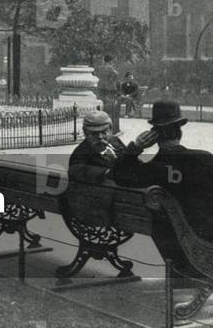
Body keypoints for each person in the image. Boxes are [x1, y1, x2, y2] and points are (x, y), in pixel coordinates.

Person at [112, 101, 213, 315]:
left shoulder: (152, 170)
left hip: (184, 244)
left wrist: (135, 148)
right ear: (180, 132)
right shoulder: (205, 159)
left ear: (155, 136)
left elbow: (119, 174)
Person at [68, 109, 125, 183]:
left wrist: (136, 148)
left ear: (110, 130)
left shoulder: (115, 141)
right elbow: (75, 170)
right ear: (86, 133)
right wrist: (106, 172)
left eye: (104, 132)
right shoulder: (81, 152)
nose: (100, 137)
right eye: (94, 133)